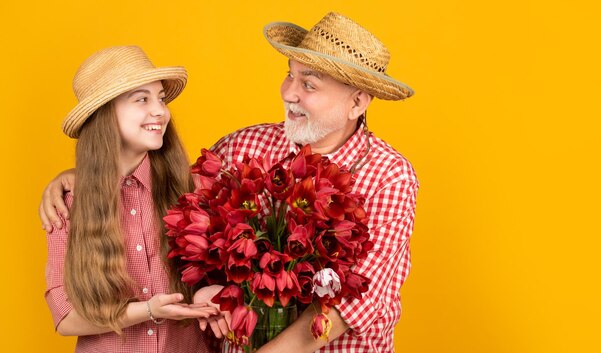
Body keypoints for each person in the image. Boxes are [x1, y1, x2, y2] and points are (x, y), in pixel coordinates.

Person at [41, 13, 418, 353]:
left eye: (310, 84)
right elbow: (164, 189)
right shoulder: (244, 147)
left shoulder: (389, 175)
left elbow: (344, 308)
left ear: (357, 102)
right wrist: (79, 177)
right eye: (290, 74)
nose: (289, 93)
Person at [44, 46, 219, 353]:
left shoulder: (194, 189)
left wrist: (214, 291)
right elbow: (66, 317)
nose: (160, 111)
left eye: (160, 99)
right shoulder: (69, 202)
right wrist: (149, 310)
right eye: (142, 99)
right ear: (105, 114)